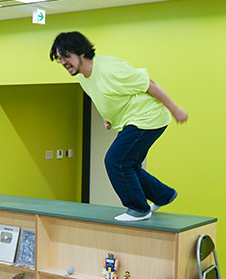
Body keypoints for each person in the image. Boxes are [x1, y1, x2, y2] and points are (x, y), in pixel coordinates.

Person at [50, 31, 188, 221]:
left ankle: (139, 209)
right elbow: (105, 96)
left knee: (116, 161)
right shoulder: (82, 77)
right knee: (129, 164)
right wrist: (108, 117)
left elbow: (150, 84)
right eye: (59, 59)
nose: (63, 62)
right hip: (133, 120)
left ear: (81, 52)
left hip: (148, 118)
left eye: (66, 56)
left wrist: (175, 109)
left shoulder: (110, 69)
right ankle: (163, 195)